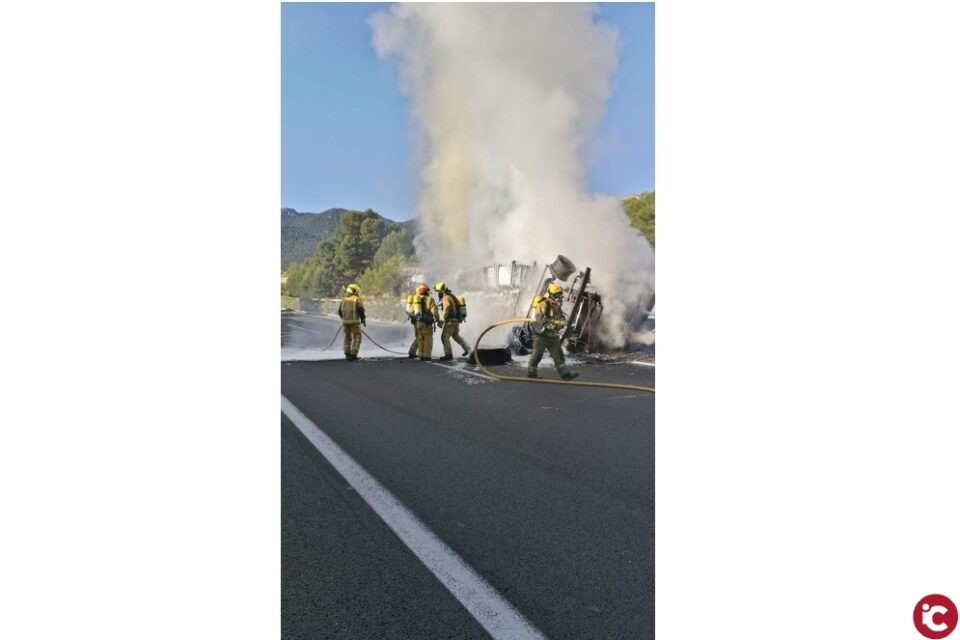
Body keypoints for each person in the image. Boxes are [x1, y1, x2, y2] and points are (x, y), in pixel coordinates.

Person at [527, 283, 579, 380]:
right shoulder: (544, 304)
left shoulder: (557, 307)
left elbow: (561, 318)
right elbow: (539, 316)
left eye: (560, 295)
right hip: (542, 336)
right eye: (557, 295)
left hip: (553, 337)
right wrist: (549, 324)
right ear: (551, 295)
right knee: (537, 355)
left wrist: (562, 323)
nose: (559, 297)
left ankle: (566, 375)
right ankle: (532, 373)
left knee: (559, 356)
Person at [434, 281, 471, 360]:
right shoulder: (451, 296)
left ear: (441, 291)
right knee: (456, 336)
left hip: (450, 322)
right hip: (456, 321)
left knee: (444, 337)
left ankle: (448, 354)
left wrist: (441, 321)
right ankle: (468, 349)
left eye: (438, 292)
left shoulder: (446, 298)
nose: (438, 294)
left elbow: (446, 309)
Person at [338, 283, 366, 361]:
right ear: (355, 291)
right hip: (354, 322)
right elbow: (360, 310)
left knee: (347, 337)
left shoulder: (344, 300)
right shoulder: (356, 298)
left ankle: (347, 354)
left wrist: (345, 319)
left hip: (345, 323)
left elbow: (339, 311)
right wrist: (363, 319)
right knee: (357, 337)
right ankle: (354, 355)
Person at [412, 283, 438, 361]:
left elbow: (412, 311)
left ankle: (421, 354)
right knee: (428, 338)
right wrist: (438, 320)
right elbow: (435, 312)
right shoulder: (430, 299)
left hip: (418, 322)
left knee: (420, 339)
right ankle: (426, 355)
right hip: (427, 323)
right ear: (426, 291)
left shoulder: (416, 300)